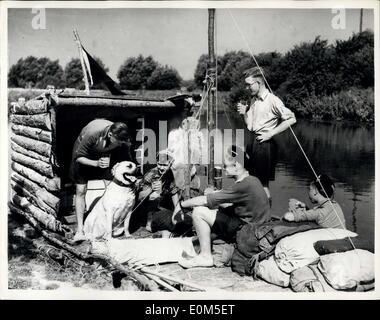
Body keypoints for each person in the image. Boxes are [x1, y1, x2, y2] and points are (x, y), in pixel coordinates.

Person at [176, 145, 270, 268]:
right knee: (218, 209)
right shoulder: (253, 180)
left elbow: (205, 200)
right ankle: (203, 243)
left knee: (199, 211)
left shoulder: (243, 185)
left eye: (226, 166)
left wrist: (181, 205)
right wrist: (217, 199)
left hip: (250, 234)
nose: (224, 169)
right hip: (258, 230)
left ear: (236, 166)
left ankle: (205, 256)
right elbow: (232, 204)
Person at [237, 66, 296, 204]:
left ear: (259, 82)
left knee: (262, 184)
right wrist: (244, 113)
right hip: (254, 142)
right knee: (252, 180)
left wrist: (270, 133)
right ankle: (256, 212)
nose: (247, 88)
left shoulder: (272, 100)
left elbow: (292, 118)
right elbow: (250, 126)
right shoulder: (253, 100)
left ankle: (266, 216)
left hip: (265, 145)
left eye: (249, 84)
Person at [70, 119, 131, 242]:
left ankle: (107, 225)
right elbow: (78, 157)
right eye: (118, 142)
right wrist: (96, 163)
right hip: (83, 157)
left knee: (111, 185)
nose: (120, 144)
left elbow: (125, 158)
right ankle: (80, 230)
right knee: (81, 189)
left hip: (103, 153)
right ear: (110, 135)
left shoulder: (120, 139)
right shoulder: (93, 133)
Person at [136, 150, 197, 236]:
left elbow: (173, 191)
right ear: (156, 162)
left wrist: (177, 209)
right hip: (146, 210)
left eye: (165, 165)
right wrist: (150, 189)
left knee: (180, 218)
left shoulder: (169, 173)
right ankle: (149, 223)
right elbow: (139, 197)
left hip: (161, 208)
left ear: (170, 165)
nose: (161, 167)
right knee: (155, 196)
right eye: (159, 164)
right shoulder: (151, 174)